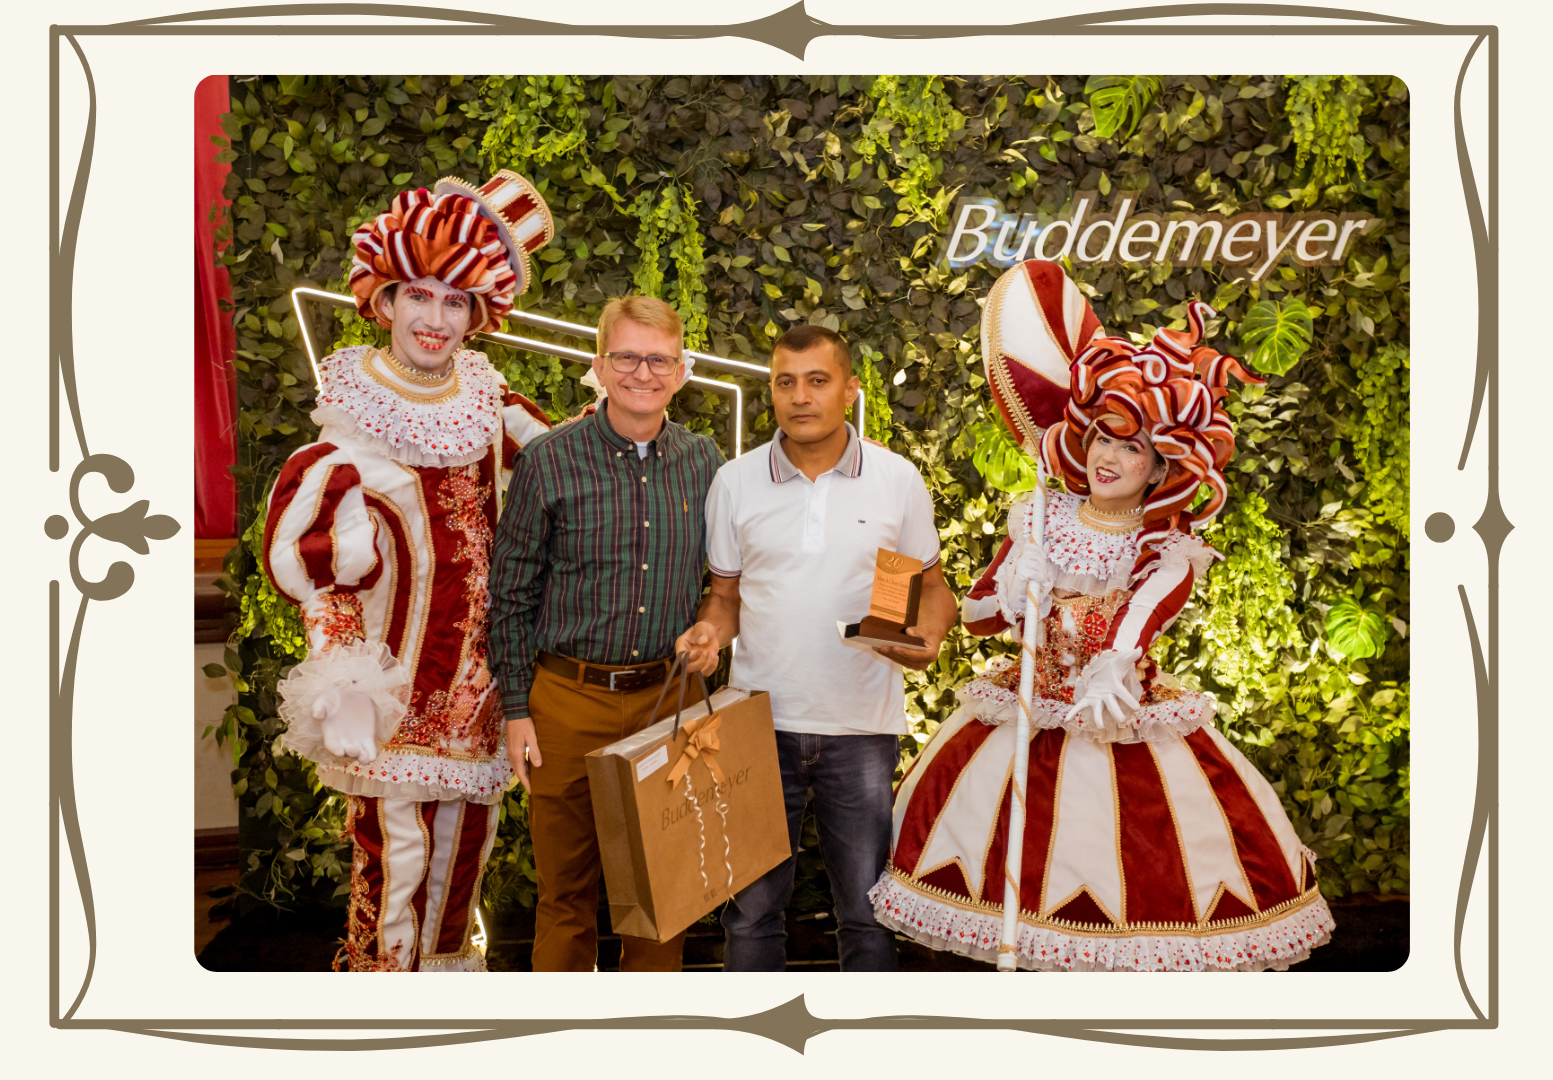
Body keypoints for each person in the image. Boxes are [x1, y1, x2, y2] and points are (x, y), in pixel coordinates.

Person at [869, 260, 1335, 971]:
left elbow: (1133, 630)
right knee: (1006, 893)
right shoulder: (1039, 516)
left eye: (1131, 446)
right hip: (1022, 716)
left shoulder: (1166, 549)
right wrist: (1011, 586)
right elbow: (979, 618)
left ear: (1163, 466)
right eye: (1101, 438)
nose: (1109, 457)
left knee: (1125, 884)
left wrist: (1110, 666)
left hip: (1115, 728)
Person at [265, 170, 556, 971]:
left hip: (482, 700)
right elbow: (324, 570)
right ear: (385, 300)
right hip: (389, 697)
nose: (435, 319)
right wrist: (341, 677)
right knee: (394, 881)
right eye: (419, 297)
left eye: (455, 302)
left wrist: (621, 409)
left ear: (478, 314)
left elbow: (567, 478)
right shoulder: (352, 415)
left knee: (460, 885)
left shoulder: (492, 401)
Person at [676, 324, 957, 971]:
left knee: (867, 913)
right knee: (750, 913)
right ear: (772, 391)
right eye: (785, 382)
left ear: (849, 389)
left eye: (817, 380)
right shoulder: (735, 482)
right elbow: (725, 597)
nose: (800, 396)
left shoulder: (895, 480)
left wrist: (929, 633)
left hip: (861, 729)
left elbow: (930, 589)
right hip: (756, 724)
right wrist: (710, 632)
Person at [489, 295, 723, 972]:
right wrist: (515, 710)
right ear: (599, 364)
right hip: (567, 702)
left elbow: (728, 581)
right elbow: (511, 595)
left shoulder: (705, 463)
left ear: (681, 371)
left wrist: (711, 631)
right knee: (565, 895)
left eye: (659, 360)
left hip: (668, 703)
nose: (642, 373)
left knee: (664, 894)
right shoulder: (548, 461)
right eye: (626, 357)